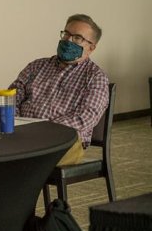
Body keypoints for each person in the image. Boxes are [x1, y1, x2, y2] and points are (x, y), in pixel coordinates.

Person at [8, 14, 109, 165]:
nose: (68, 40)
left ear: (91, 47)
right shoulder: (36, 66)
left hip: (63, 142)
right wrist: (16, 124)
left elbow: (85, 117)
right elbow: (11, 98)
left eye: (77, 38)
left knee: (22, 163)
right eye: (66, 34)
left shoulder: (95, 77)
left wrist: (43, 130)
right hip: (23, 135)